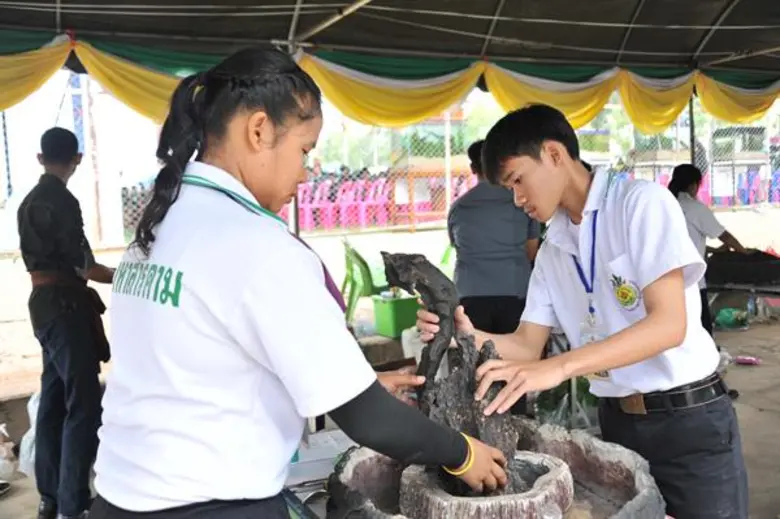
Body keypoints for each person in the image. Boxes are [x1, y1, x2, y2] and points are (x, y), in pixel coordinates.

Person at [88, 47, 506, 519]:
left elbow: (200, 370)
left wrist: (349, 384)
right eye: (304, 150)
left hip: (121, 499)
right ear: (259, 130)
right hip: (211, 506)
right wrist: (461, 453)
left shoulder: (160, 224)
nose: (306, 173)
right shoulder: (260, 246)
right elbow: (368, 420)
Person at [417, 105, 748, 519]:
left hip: (688, 421)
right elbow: (524, 345)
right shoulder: (553, 248)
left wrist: (560, 368)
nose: (517, 199)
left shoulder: (639, 204)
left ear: (554, 154)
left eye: (519, 180)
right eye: (509, 189)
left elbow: (668, 325)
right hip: (618, 424)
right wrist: (463, 333)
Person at [17, 127, 115, 519]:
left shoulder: (27, 203)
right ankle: (73, 503)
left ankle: (50, 499)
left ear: (40, 158)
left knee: (53, 399)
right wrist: (129, 275)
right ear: (76, 159)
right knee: (83, 404)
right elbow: (86, 266)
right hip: (66, 306)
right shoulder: (62, 200)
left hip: (42, 305)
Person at [448, 139, 540, 334]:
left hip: (470, 295)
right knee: (515, 359)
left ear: (473, 169)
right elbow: (531, 252)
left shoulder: (459, 208)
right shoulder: (522, 201)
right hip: (514, 293)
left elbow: (458, 247)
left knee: (476, 358)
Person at [667, 163, 750, 337]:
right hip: (691, 280)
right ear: (694, 185)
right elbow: (724, 236)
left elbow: (681, 239)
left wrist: (713, 250)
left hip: (664, 277)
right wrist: (744, 252)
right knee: (702, 328)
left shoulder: (666, 204)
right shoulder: (695, 208)